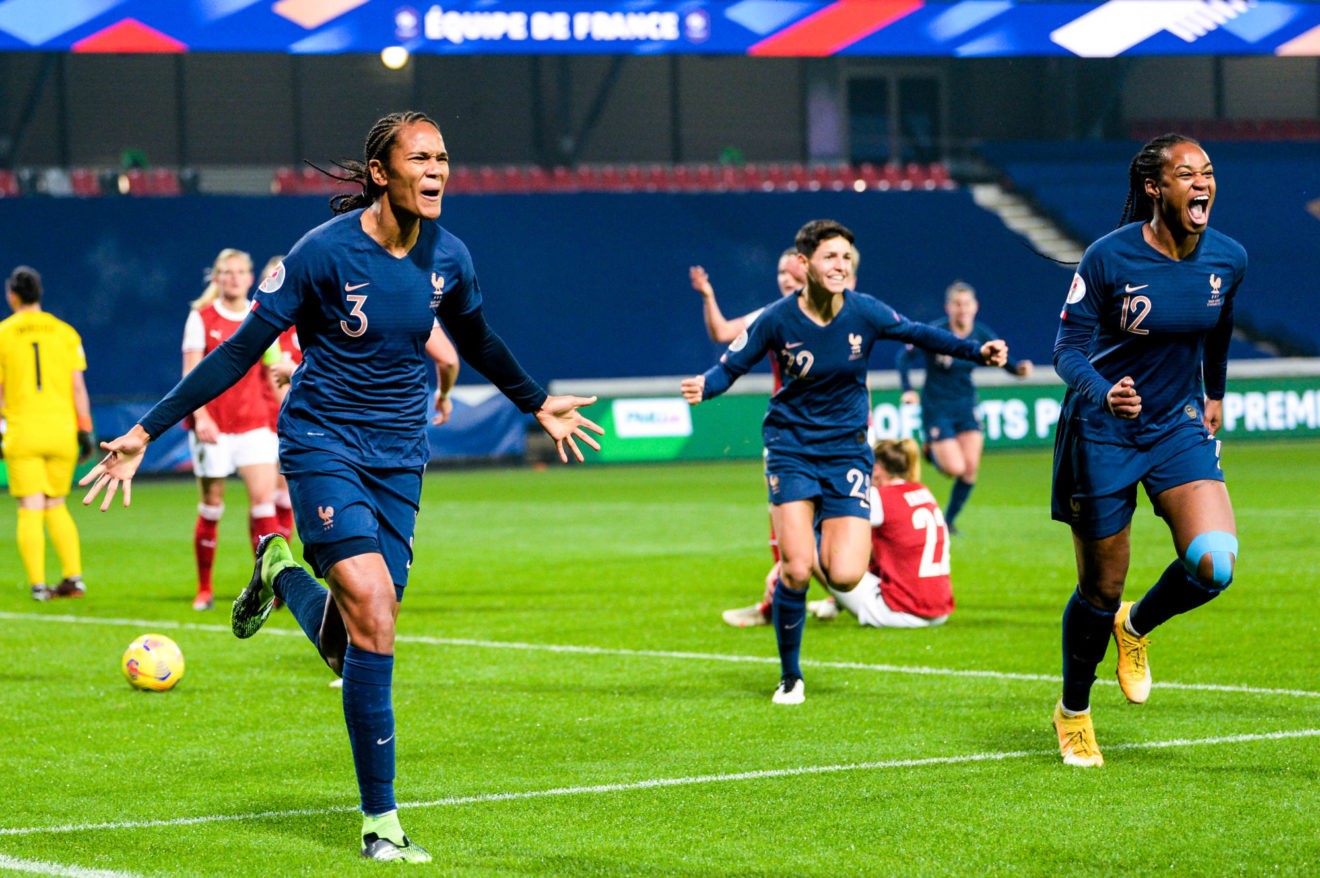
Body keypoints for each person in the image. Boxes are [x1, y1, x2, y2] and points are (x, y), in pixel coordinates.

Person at [82, 110, 604, 862]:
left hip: (400, 458)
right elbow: (239, 354)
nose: (436, 171)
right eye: (420, 158)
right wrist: (146, 430)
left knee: (353, 643)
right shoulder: (321, 255)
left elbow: (478, 338)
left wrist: (535, 399)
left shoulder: (448, 255)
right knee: (374, 610)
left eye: (443, 158)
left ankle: (278, 567)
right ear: (380, 173)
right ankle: (381, 822)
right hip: (322, 443)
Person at [682, 219, 1005, 705]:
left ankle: (804, 532)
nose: (840, 265)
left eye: (846, 258)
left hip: (848, 453)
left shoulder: (865, 312)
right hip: (791, 449)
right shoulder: (776, 317)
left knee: (846, 575)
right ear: (803, 263)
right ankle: (791, 676)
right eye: (831, 256)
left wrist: (977, 352)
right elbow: (733, 362)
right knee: (795, 569)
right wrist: (706, 386)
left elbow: (919, 334)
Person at [1050, 133, 1244, 768]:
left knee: (1214, 564)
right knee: (1099, 589)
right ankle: (1074, 711)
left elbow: (1219, 329)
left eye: (1208, 172)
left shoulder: (1228, 257)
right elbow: (1067, 350)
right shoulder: (1108, 258)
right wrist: (1105, 393)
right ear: (1155, 189)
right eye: (1187, 174)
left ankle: (1135, 628)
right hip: (1103, 430)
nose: (1202, 183)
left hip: (1177, 427)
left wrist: (1213, 392)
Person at [182, 249, 283, 611]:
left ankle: (267, 587)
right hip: (213, 428)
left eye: (241, 272)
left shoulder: (262, 317)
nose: (235, 278)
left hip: (254, 424)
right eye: (227, 272)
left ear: (251, 277)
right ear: (217, 278)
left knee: (263, 504)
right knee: (212, 506)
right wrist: (202, 418)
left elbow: (273, 373)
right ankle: (204, 588)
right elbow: (191, 375)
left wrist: (287, 411)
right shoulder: (201, 318)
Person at [896, 280, 1032, 535]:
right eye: (957, 304)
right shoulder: (936, 332)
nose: (962, 309)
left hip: (966, 405)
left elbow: (1001, 360)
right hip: (937, 407)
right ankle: (931, 450)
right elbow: (904, 357)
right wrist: (907, 390)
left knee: (970, 469)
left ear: (975, 306)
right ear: (949, 307)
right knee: (954, 468)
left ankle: (948, 521)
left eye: (967, 303)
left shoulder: (980, 333)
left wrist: (1018, 370)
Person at [0, 266, 95, 601]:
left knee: (30, 507)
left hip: (23, 430)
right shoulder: (65, 333)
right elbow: (78, 388)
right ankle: (74, 578)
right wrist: (85, 429)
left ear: (12, 294)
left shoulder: (4, 333)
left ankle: (39, 586)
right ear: (38, 293)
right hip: (62, 430)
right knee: (56, 504)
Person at [810, 437, 953, 627]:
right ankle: (835, 603)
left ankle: (782, 601)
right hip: (940, 610)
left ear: (876, 469)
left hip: (902, 611)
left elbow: (838, 537)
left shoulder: (879, 498)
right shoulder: (923, 491)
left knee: (808, 546)